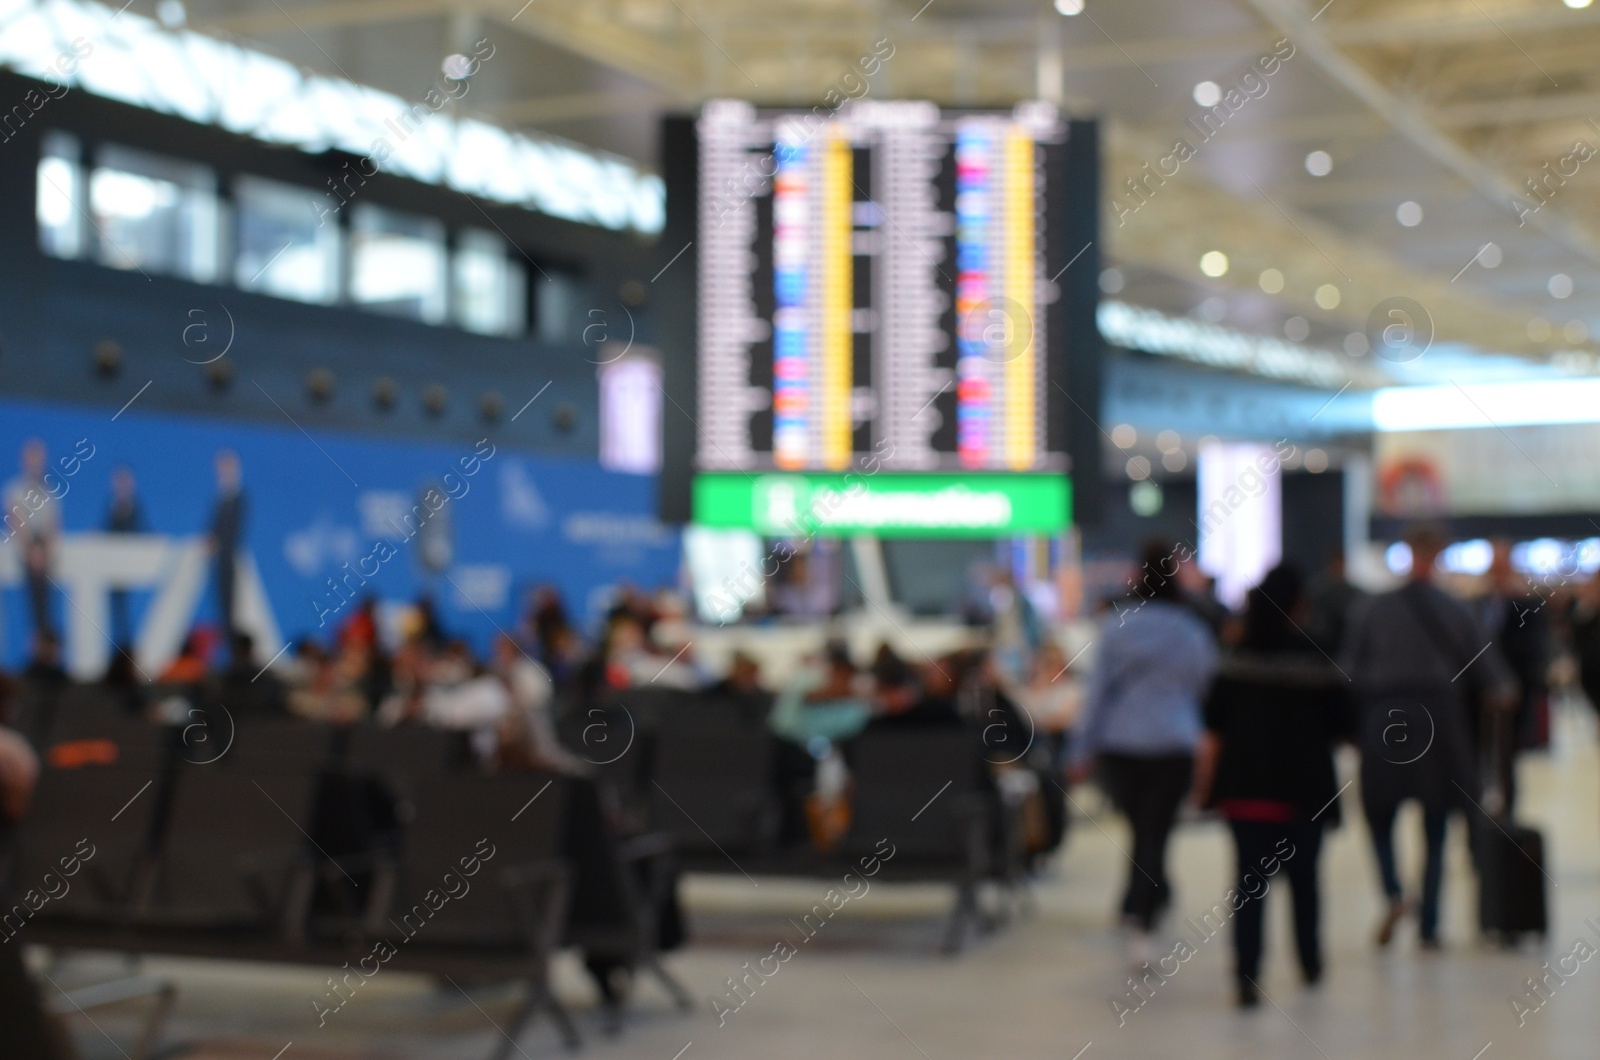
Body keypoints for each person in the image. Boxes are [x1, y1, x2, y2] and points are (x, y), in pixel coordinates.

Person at [1343, 526, 1516, 949]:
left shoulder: (1373, 608)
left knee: (1379, 815)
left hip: (1385, 718)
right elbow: (1491, 674)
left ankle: (1394, 893)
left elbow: (1346, 668)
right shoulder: (1455, 609)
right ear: (1437, 557)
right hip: (1439, 718)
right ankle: (1430, 925)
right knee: (1437, 822)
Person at [1194, 564, 1353, 1009]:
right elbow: (1345, 724)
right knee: (1306, 882)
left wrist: (1205, 785)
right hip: (1305, 794)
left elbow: (1213, 725)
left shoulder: (1236, 659)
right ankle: (1310, 961)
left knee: (1249, 885)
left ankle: (1247, 976)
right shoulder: (1315, 659)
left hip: (1246, 793)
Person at [1069, 539, 1219, 966]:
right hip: (1174, 744)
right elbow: (1203, 688)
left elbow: (1097, 695)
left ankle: (1140, 905)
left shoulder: (1118, 627)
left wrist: (1081, 749)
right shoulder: (1191, 631)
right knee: (1157, 831)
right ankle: (1144, 911)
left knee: (1140, 829)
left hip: (1123, 746)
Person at [1476, 540, 1551, 813]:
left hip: (1512, 701)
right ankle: (1481, 823)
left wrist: (1512, 689)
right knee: (1480, 761)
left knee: (1508, 763)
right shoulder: (1477, 604)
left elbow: (1534, 654)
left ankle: (1507, 820)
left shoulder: (1527, 607)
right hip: (1479, 701)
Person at [4, 439, 61, 642]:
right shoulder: (15, 490)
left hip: (44, 557)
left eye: (39, 459)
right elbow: (16, 521)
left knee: (45, 609)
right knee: (33, 609)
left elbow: (52, 525)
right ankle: (36, 645)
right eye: (32, 458)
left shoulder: (48, 492)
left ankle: (44, 644)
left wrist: (45, 551)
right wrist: (31, 551)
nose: (36, 463)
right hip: (27, 555)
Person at [105, 464, 144, 647]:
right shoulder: (110, 506)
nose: (121, 485)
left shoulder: (136, 508)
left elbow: (143, 531)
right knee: (114, 614)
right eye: (118, 481)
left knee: (130, 613)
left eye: (125, 481)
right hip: (112, 569)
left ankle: (129, 646)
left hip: (132, 569)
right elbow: (105, 530)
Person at [208, 450, 246, 636]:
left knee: (232, 608)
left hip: (230, 560)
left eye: (225, 467)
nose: (221, 471)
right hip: (219, 562)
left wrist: (220, 543)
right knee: (222, 608)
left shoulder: (239, 498)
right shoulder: (220, 497)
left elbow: (235, 530)